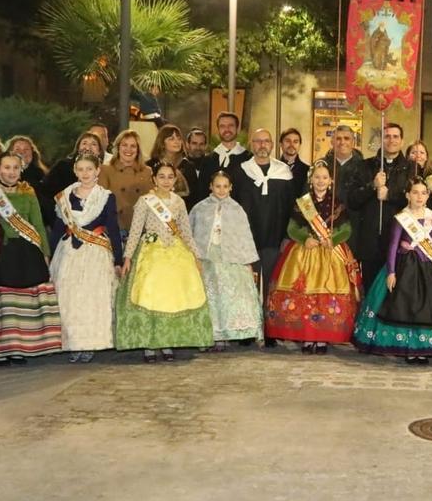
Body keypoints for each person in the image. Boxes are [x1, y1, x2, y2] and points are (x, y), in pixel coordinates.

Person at [354, 177, 432, 362]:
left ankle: (423, 348)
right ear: (407, 195)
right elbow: (392, 246)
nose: (419, 197)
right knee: (407, 307)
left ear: (428, 196)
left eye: (423, 193)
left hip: (430, 269)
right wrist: (391, 272)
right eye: (415, 192)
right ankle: (409, 348)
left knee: (428, 310)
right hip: (406, 268)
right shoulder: (401, 218)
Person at [115, 162, 212, 362]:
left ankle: (167, 342)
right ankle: (150, 346)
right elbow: (135, 231)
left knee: (173, 298)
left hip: (176, 254)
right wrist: (127, 258)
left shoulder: (179, 202)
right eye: (162, 176)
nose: (166, 181)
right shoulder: (145, 201)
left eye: (170, 177)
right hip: (151, 253)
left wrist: (195, 256)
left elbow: (186, 232)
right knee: (150, 296)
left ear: (175, 180)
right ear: (154, 179)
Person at [265, 161, 363, 353]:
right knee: (305, 292)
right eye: (317, 177)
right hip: (304, 253)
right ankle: (307, 338)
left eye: (324, 177)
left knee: (326, 293)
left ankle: (323, 339)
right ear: (311, 180)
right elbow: (291, 228)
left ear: (331, 181)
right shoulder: (302, 203)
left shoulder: (338, 203)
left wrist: (333, 239)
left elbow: (346, 229)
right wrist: (304, 238)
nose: (321, 181)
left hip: (330, 254)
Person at [0, 153, 62, 364]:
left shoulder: (28, 191)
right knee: (1, 303)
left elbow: (38, 223)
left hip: (27, 251)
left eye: (15, 167)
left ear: (21, 170)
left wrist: (45, 252)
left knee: (23, 303)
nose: (11, 172)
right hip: (2, 252)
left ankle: (20, 347)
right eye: (7, 167)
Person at [49, 152, 124, 362]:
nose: (85, 173)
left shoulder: (106, 197)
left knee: (92, 297)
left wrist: (118, 259)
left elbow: (113, 228)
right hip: (69, 253)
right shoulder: (64, 196)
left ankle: (91, 343)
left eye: (89, 169)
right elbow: (57, 228)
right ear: (75, 171)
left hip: (96, 252)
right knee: (68, 297)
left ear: (98, 170)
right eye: (80, 169)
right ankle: (72, 343)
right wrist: (50, 254)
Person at [191, 171, 263, 350]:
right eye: (217, 186)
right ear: (210, 186)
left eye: (225, 186)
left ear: (231, 187)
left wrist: (247, 262)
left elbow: (244, 237)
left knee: (227, 297)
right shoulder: (200, 208)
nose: (221, 190)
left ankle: (224, 336)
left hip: (230, 258)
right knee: (209, 297)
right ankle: (207, 336)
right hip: (206, 257)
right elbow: (190, 232)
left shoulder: (237, 209)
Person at [230, 128, 296, 308]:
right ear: (252, 145)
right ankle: (248, 329)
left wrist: (288, 237)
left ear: (273, 145)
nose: (262, 145)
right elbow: (232, 206)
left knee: (272, 287)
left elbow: (292, 207)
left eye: (266, 141)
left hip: (275, 240)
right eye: (258, 141)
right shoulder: (240, 172)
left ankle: (269, 331)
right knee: (247, 285)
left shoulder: (283, 172)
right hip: (247, 239)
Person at [357, 122, 413, 293]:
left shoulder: (412, 168)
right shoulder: (365, 165)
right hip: (371, 239)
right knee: (371, 287)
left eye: (396, 136)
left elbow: (416, 199)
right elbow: (353, 199)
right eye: (387, 136)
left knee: (396, 289)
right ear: (381, 140)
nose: (391, 140)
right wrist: (372, 186)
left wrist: (390, 195)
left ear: (402, 141)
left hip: (399, 238)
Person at [322, 125, 374, 260]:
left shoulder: (366, 167)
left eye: (346, 138)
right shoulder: (321, 166)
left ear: (353, 142)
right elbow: (308, 197)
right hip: (325, 229)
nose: (342, 142)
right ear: (332, 141)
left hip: (354, 230)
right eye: (338, 139)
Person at [99, 130, 153, 242]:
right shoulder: (105, 170)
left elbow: (152, 201)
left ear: (138, 150)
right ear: (118, 148)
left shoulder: (147, 172)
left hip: (140, 229)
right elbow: (100, 202)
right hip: (116, 229)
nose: (128, 149)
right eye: (124, 145)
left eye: (133, 146)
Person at [41, 132, 106, 225]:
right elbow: (46, 193)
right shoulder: (62, 167)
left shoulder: (105, 171)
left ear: (99, 151)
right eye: (84, 143)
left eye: (93, 144)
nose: (88, 147)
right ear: (78, 148)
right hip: (63, 224)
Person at [146, 124, 199, 208]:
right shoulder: (150, 166)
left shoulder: (188, 166)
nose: (177, 142)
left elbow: (195, 197)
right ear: (162, 142)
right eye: (171, 139)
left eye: (179, 138)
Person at [279, 127, 310, 196]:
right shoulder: (272, 168)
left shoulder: (307, 170)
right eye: (288, 141)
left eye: (295, 142)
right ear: (281, 144)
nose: (291, 145)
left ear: (299, 145)